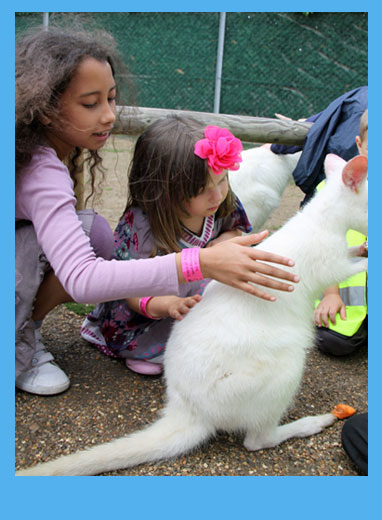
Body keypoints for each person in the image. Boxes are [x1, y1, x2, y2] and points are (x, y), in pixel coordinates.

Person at [15, 25, 299, 395]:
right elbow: (82, 279)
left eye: (111, 99)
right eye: (90, 103)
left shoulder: (48, 149)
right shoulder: (43, 171)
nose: (108, 116)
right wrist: (200, 262)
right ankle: (19, 345)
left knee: (95, 234)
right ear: (46, 110)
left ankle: (27, 326)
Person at [81, 117, 256, 375]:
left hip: (198, 294)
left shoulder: (220, 202)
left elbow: (234, 227)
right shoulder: (142, 225)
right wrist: (165, 305)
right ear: (163, 189)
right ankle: (148, 350)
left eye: (222, 180)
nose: (217, 195)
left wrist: (223, 244)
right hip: (150, 309)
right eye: (201, 189)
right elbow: (128, 286)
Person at [314, 109, 368, 356]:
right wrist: (331, 295)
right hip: (347, 301)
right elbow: (321, 244)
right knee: (333, 342)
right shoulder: (334, 189)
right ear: (360, 144)